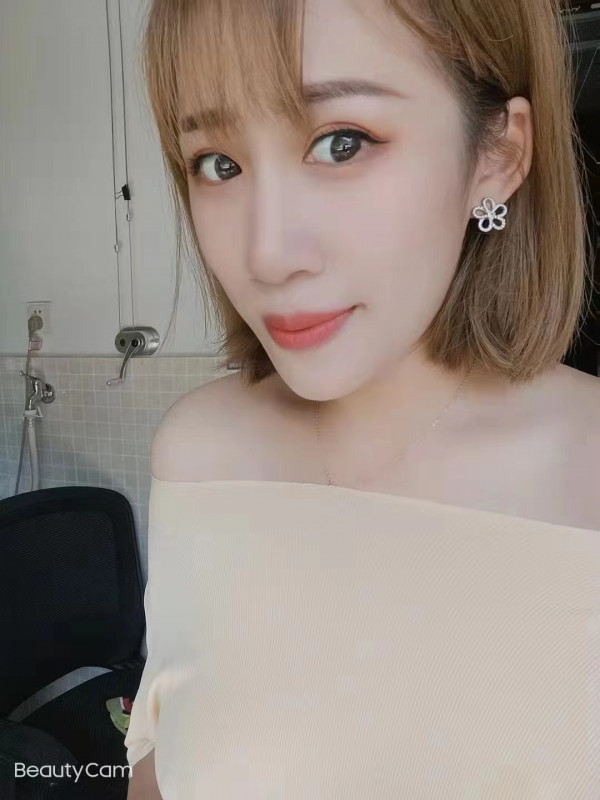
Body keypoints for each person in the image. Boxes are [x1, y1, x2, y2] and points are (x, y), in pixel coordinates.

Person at [126, 0, 600, 796]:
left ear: (497, 153)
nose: (267, 254)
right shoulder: (202, 457)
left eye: (341, 142)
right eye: (218, 164)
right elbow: (158, 766)